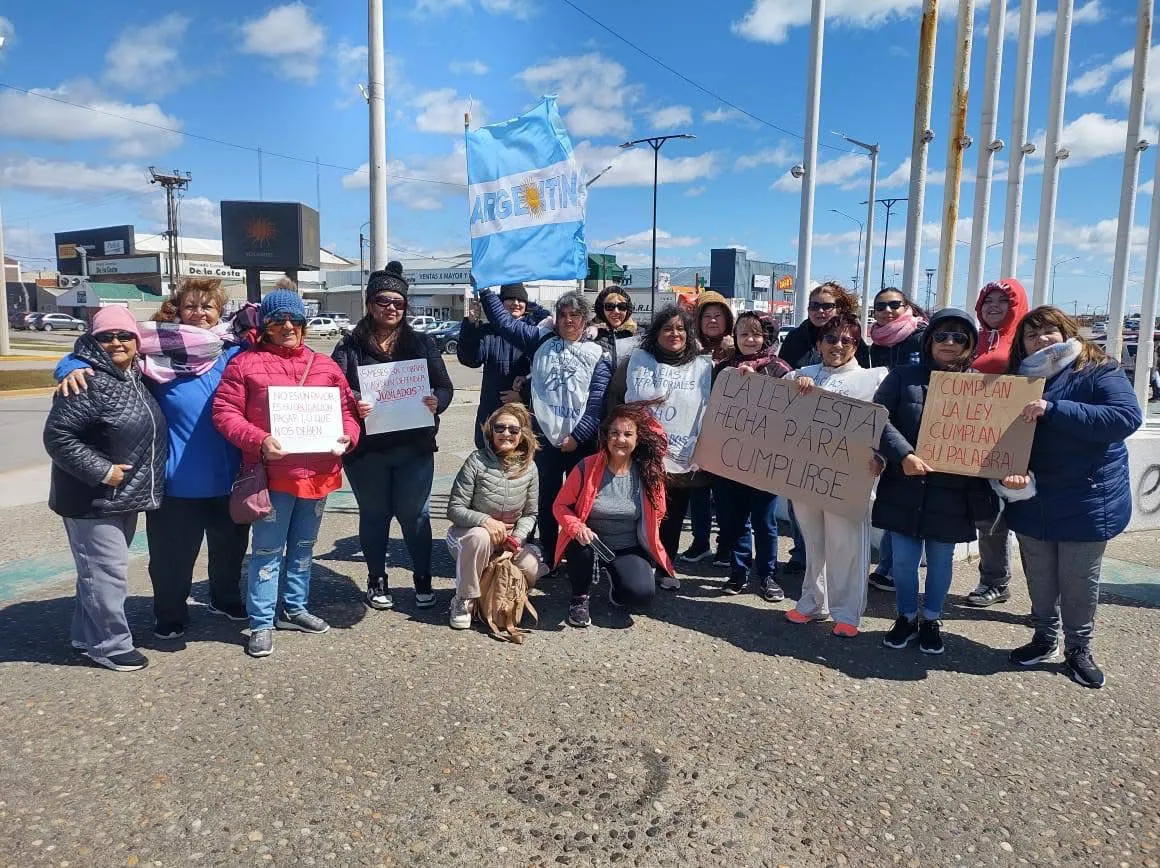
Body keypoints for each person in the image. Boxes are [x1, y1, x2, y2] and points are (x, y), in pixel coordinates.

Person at [54, 278, 254, 639]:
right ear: (177, 309)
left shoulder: (234, 352)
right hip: (175, 481)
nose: (199, 313)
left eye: (207, 306)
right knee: (171, 558)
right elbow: (103, 355)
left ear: (219, 311)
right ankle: (170, 613)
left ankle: (224, 599)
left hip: (229, 478)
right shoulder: (155, 354)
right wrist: (69, 366)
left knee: (230, 549)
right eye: (190, 305)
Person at [212, 289, 361, 658]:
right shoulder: (244, 365)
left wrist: (349, 436)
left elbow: (347, 411)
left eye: (295, 320)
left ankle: (294, 608)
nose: (288, 327)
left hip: (319, 474)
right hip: (273, 476)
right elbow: (225, 413)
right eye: (278, 321)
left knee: (304, 547)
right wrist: (259, 440)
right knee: (266, 550)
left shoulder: (325, 366)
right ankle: (261, 622)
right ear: (266, 326)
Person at [999, 306, 1142, 688]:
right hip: (1031, 497)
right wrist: (1006, 473)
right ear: (1022, 344)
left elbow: (1126, 418)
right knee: (1040, 576)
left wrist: (1054, 408)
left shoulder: (1099, 369)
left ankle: (1079, 649)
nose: (1040, 339)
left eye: (1048, 330)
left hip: (1087, 500)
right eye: (1031, 334)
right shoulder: (1017, 379)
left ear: (1066, 332)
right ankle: (1044, 637)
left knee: (1079, 580)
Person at [43, 307, 168, 672]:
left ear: (137, 341)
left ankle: (86, 636)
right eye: (106, 336)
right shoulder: (86, 380)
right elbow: (58, 436)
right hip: (91, 498)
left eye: (124, 335)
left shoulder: (135, 376)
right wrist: (102, 471)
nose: (116, 342)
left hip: (121, 497)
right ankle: (110, 645)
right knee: (106, 573)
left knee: (96, 571)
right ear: (92, 340)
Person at [872, 308, 998, 655]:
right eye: (941, 335)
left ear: (970, 344)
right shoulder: (903, 376)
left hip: (952, 493)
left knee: (941, 561)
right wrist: (904, 455)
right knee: (903, 561)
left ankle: (931, 619)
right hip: (904, 485)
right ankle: (906, 616)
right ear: (929, 341)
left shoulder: (983, 385)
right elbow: (879, 418)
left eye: (959, 336)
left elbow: (996, 433)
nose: (949, 342)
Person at [332, 265, 455, 611]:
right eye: (383, 301)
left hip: (413, 446)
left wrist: (437, 402)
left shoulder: (421, 342)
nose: (391, 308)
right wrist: (355, 400)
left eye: (398, 303)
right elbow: (334, 387)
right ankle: (377, 579)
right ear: (370, 303)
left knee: (415, 514)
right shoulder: (349, 345)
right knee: (374, 514)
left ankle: (422, 578)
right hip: (367, 450)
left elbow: (445, 386)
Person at [478, 287, 613, 563]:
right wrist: (485, 290)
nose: (568, 320)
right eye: (562, 315)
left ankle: (577, 556)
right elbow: (504, 324)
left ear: (585, 319)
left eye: (575, 315)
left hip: (580, 443)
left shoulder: (598, 353)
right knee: (546, 500)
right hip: (543, 440)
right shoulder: (540, 339)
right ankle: (550, 554)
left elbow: (596, 403)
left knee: (580, 502)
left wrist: (578, 436)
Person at [780, 313, 888, 636]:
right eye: (830, 338)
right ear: (819, 343)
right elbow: (770, 402)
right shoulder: (802, 374)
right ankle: (813, 602)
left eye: (847, 340)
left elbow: (887, 424)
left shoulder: (873, 379)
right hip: (806, 475)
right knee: (814, 542)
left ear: (856, 345)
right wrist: (792, 385)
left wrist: (882, 456)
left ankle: (847, 612)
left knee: (847, 545)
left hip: (849, 478)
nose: (837, 345)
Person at [553, 402, 675, 628]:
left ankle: (617, 582)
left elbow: (659, 512)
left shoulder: (649, 473)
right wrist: (577, 527)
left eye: (628, 434)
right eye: (614, 433)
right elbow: (560, 506)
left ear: (638, 439)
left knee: (641, 595)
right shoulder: (586, 466)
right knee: (579, 546)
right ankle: (579, 598)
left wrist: (648, 539)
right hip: (590, 543)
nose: (620, 439)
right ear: (606, 437)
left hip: (627, 545)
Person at [622, 305, 713, 591]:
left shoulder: (703, 368)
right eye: (667, 328)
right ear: (656, 333)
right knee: (640, 512)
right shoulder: (637, 361)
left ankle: (665, 565)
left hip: (681, 456)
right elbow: (617, 398)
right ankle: (638, 564)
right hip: (641, 453)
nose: (675, 334)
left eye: (681, 329)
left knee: (672, 515)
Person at [713, 312, 793, 600]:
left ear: (767, 337)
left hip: (765, 461)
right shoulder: (723, 370)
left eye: (756, 334)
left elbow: (793, 414)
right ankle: (738, 571)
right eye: (743, 333)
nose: (749, 340)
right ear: (734, 336)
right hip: (729, 458)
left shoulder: (781, 370)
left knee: (764, 521)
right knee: (734, 520)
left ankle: (767, 574)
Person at [445, 403, 545, 630]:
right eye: (500, 428)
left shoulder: (530, 467)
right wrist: (485, 521)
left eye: (513, 430)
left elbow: (530, 514)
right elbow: (454, 509)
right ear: (491, 431)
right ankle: (463, 598)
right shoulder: (476, 461)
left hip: (508, 538)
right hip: (468, 535)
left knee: (532, 567)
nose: (506, 433)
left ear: (522, 435)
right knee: (479, 538)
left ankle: (506, 590)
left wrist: (517, 538)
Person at [966, 278, 1030, 608]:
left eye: (1003, 301)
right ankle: (994, 581)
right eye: (987, 301)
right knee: (989, 518)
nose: (993, 307)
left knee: (1031, 528)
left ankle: (1045, 601)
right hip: (977, 444)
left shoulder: (1025, 343)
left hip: (1020, 444)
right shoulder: (972, 341)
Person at [866, 287, 928, 594]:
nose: (887, 311)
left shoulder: (922, 336)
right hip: (888, 429)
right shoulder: (876, 344)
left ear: (907, 306)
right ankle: (888, 566)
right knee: (892, 499)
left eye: (894, 304)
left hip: (917, 429)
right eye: (881, 306)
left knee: (909, 502)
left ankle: (894, 570)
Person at [679, 291, 736, 566]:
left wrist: (733, 352)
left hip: (729, 433)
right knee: (698, 490)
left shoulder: (738, 347)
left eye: (718, 316)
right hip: (696, 429)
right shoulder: (689, 348)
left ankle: (726, 546)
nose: (713, 321)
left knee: (726, 494)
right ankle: (700, 541)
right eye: (707, 316)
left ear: (728, 320)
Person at [457, 282, 549, 450]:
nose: (516, 303)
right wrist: (470, 326)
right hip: (492, 413)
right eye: (510, 299)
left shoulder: (536, 333)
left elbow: (545, 375)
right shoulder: (489, 331)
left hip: (525, 417)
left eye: (520, 300)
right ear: (500, 303)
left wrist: (523, 394)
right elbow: (470, 359)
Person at [779, 282, 871, 369]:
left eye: (827, 306)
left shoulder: (851, 338)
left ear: (839, 310)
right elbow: (782, 373)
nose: (820, 310)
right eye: (814, 306)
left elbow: (863, 374)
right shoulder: (794, 337)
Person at [590, 285, 640, 366]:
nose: (616, 311)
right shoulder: (589, 334)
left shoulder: (638, 335)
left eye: (622, 307)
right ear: (601, 310)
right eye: (609, 307)